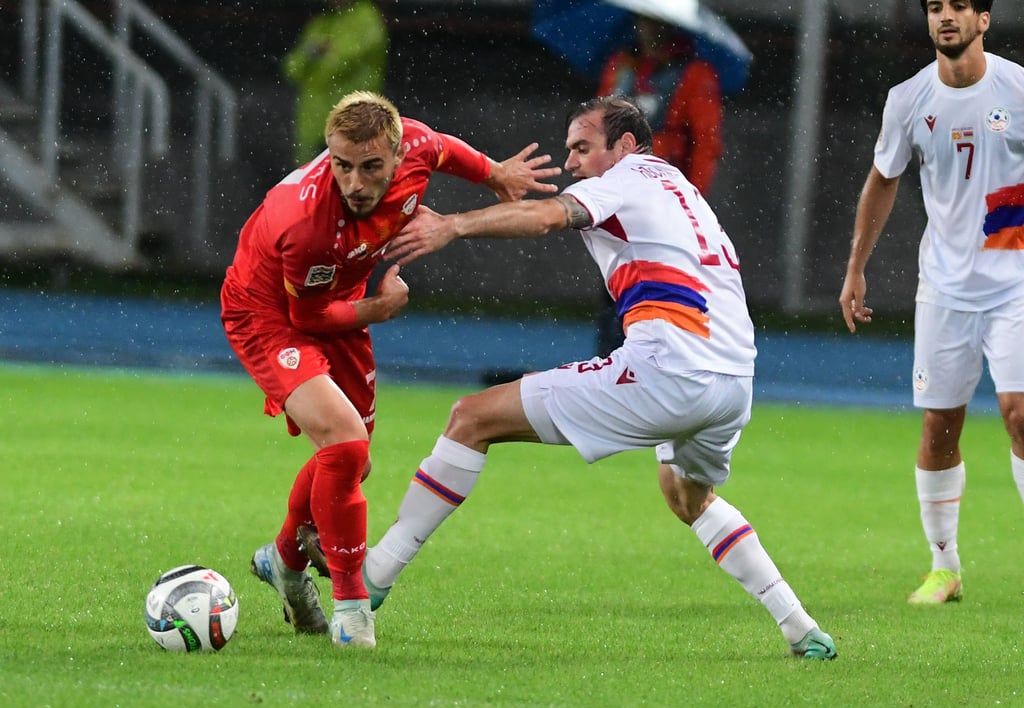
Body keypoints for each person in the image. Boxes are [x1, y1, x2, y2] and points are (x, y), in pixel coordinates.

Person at [310, 95, 836, 659]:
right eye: (568, 151)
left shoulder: (627, 178)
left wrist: (452, 226)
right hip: (734, 379)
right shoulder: (681, 190)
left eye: (583, 148)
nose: (573, 163)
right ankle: (801, 628)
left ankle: (373, 578)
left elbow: (546, 216)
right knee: (687, 495)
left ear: (627, 145)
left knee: (471, 418)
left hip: (670, 367)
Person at [220, 90, 560, 649]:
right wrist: (381, 309)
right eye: (342, 166)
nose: (354, 183)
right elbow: (308, 314)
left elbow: (445, 148)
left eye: (370, 166)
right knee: (347, 443)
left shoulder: (417, 145)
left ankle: (283, 559)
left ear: (398, 157)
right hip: (271, 315)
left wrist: (494, 173)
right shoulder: (303, 222)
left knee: (352, 461)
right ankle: (352, 609)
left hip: (343, 301)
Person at [839, 0, 1024, 605]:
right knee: (941, 425)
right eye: (936, 7)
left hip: (1015, 284)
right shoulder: (908, 99)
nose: (946, 16)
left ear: (985, 20)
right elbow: (883, 178)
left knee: (1020, 413)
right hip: (944, 288)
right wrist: (856, 268)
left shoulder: (1017, 89)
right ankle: (944, 567)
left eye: (959, 6)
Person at [594, 14, 723, 356]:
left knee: (657, 299)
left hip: (663, 209)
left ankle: (652, 373)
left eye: (655, 22)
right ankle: (613, 374)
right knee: (615, 295)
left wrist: (690, 203)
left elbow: (706, 145)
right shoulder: (620, 67)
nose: (647, 29)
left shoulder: (694, 75)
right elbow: (594, 132)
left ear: (671, 26)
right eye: (643, 21)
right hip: (616, 206)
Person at [282, 0, 388, 164]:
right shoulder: (321, 23)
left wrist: (313, 63)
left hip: (352, 126)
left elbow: (343, 62)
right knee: (310, 187)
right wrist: (315, 55)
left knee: (350, 184)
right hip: (312, 126)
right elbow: (291, 69)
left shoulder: (366, 18)